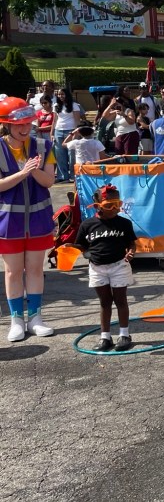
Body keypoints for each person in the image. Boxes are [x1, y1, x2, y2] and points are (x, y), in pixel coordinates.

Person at [0, 98, 56, 342]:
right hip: (8, 222)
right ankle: (16, 320)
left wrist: (33, 170)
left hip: (38, 220)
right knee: (13, 272)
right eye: (17, 125)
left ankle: (35, 318)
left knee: (35, 269)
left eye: (27, 123)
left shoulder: (43, 145)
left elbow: (49, 182)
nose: (24, 129)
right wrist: (21, 173)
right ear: (6, 125)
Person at [73, 185, 138, 352]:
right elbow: (80, 245)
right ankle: (105, 337)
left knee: (121, 300)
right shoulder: (88, 225)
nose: (115, 209)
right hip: (97, 268)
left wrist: (131, 252)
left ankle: (124, 334)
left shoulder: (124, 223)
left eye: (118, 204)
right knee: (105, 302)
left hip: (119, 266)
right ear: (97, 206)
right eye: (109, 205)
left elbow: (131, 243)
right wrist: (70, 250)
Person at [53, 87, 82, 183]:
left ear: (67, 95)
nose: (61, 96)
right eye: (59, 94)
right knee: (60, 154)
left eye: (63, 94)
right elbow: (54, 120)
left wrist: (77, 133)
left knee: (71, 154)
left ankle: (73, 175)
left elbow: (78, 120)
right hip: (58, 130)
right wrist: (52, 132)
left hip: (71, 131)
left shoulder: (74, 105)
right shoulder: (56, 105)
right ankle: (62, 176)